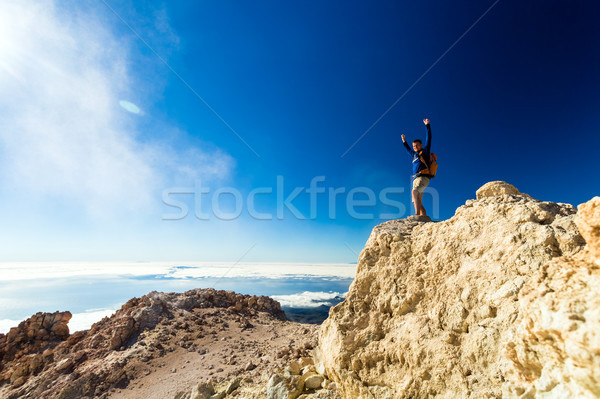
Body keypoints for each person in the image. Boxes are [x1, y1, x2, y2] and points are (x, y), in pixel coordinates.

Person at [401, 118, 432, 217]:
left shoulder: (425, 151)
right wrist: (404, 141)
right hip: (415, 179)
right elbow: (408, 150)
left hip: (423, 177)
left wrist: (427, 125)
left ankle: (416, 215)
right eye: (414, 146)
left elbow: (429, 138)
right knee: (416, 201)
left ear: (421, 145)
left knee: (414, 192)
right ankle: (424, 218)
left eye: (417, 146)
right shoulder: (414, 155)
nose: (415, 147)